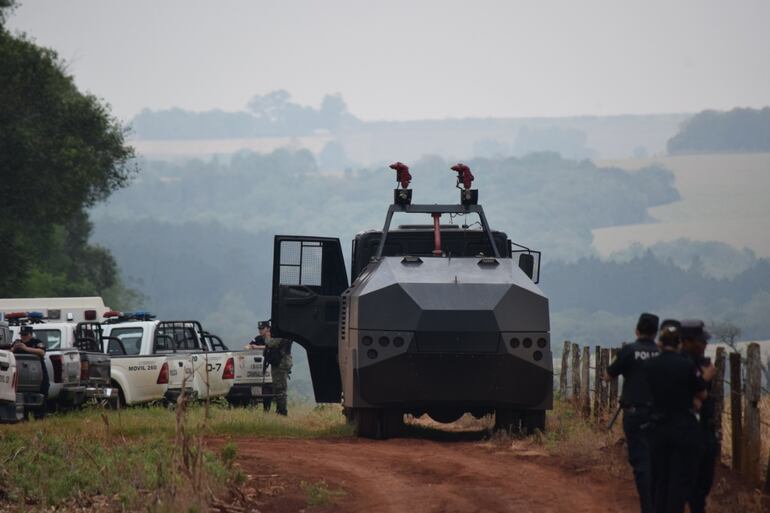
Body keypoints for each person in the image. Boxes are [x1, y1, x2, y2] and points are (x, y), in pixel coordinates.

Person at [645, 321, 706, 513]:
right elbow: (701, 394)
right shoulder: (686, 365)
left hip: (657, 427)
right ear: (679, 343)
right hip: (682, 427)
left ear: (660, 343)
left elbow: (646, 393)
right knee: (678, 479)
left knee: (659, 478)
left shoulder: (650, 365)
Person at [605, 312, 660, 513]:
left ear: (637, 330)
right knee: (657, 460)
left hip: (635, 414)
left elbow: (608, 375)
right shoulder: (662, 352)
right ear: (656, 332)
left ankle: (648, 507)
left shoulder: (630, 350)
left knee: (641, 461)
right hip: (660, 416)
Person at [679, 320, 717, 513]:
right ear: (686, 341)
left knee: (701, 486)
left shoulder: (701, 363)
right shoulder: (680, 364)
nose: (704, 345)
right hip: (685, 431)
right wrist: (704, 380)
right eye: (699, 341)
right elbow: (694, 394)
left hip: (704, 429)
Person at [261, 321, 293, 416]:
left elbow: (270, 343)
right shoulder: (284, 333)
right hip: (280, 363)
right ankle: (280, 410)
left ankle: (282, 412)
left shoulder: (282, 334)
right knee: (278, 388)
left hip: (281, 364)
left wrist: (267, 335)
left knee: (280, 389)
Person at [12, 325, 49, 397]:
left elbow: (42, 352)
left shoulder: (36, 342)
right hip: (21, 374)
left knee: (43, 391)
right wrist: (14, 348)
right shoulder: (17, 342)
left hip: (36, 372)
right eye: (22, 335)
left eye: (25, 334)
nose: (23, 337)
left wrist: (25, 348)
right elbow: (8, 352)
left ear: (31, 334)